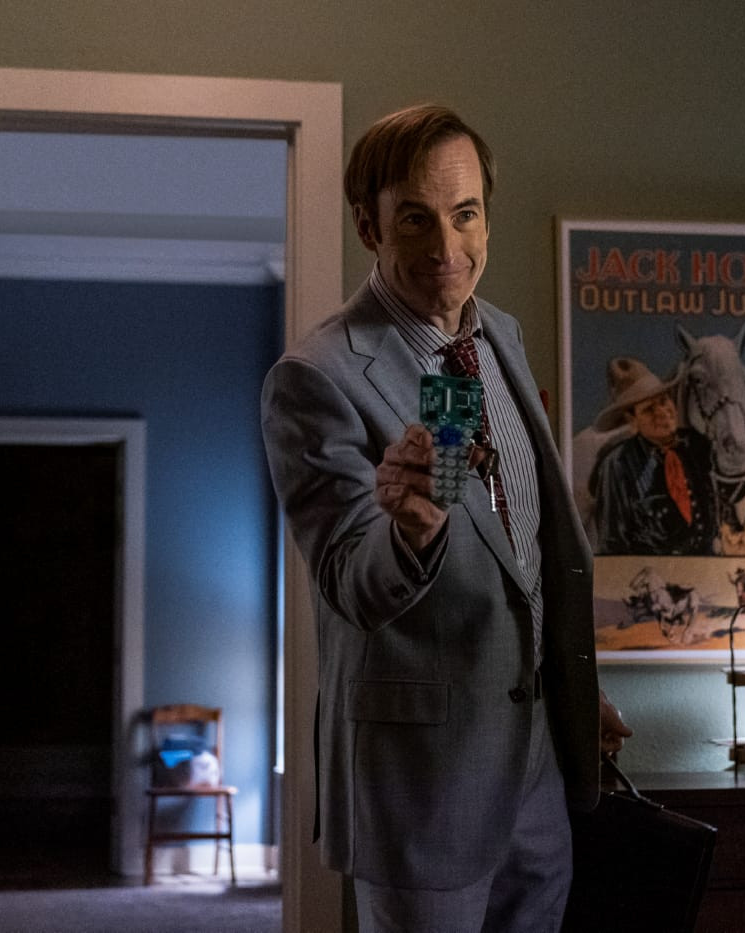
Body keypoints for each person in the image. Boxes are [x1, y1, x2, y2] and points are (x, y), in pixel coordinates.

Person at [260, 104, 631, 933]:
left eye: (465, 214)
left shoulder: (499, 337)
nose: (446, 247)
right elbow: (349, 579)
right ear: (368, 226)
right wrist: (409, 532)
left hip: (536, 772)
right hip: (420, 791)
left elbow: (522, 550)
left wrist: (569, 692)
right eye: (415, 219)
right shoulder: (315, 375)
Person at [587, 358, 719, 555]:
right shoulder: (618, 464)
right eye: (649, 409)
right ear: (632, 420)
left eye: (664, 401)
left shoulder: (697, 446)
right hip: (649, 572)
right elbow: (612, 543)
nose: (662, 412)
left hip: (705, 569)